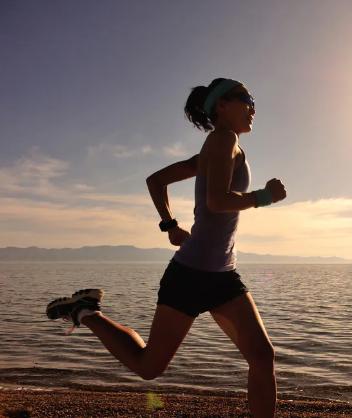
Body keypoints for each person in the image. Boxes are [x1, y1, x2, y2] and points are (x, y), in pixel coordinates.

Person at [45, 77, 286, 418]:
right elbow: (217, 201)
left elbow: (155, 181)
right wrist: (265, 197)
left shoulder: (215, 148)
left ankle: (85, 310)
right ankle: (86, 312)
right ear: (221, 105)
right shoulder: (222, 139)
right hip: (189, 276)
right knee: (149, 366)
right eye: (245, 98)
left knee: (262, 356)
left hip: (222, 276)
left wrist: (170, 226)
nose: (253, 107)